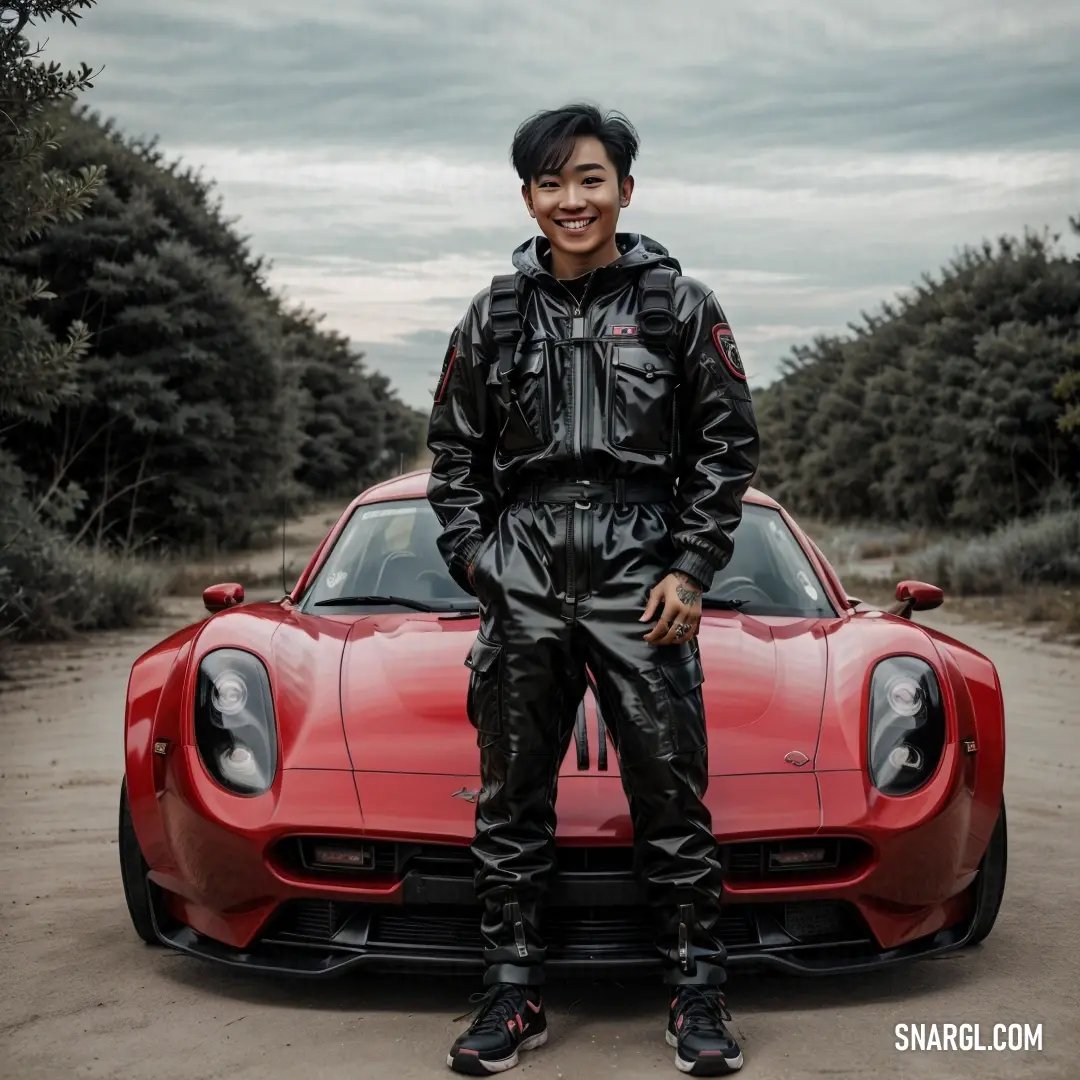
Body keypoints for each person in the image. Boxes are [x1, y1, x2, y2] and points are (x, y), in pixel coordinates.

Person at [426, 103, 760, 1077]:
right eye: (550, 182)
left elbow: (727, 447)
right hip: (523, 581)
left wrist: (692, 566)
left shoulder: (681, 308)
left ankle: (698, 996)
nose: (571, 200)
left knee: (670, 796)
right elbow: (454, 458)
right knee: (511, 798)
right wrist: (485, 568)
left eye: (590, 179)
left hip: (641, 579)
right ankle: (510, 990)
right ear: (527, 195)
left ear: (625, 187)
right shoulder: (490, 317)